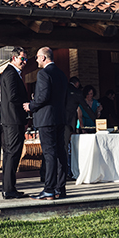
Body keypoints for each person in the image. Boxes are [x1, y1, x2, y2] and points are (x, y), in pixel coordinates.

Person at [25, 47, 69, 200]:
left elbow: (43, 97)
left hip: (46, 119)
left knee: (50, 154)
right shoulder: (62, 74)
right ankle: (60, 189)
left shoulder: (43, 73)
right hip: (60, 118)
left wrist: (31, 105)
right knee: (61, 153)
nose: (36, 60)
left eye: (37, 57)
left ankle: (49, 189)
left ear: (43, 58)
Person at [0, 47, 29, 199]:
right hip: (13, 120)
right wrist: (27, 104)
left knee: (11, 154)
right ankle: (9, 189)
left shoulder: (12, 73)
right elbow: (12, 96)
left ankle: (9, 188)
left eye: (26, 60)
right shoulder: (11, 73)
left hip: (12, 119)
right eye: (22, 59)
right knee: (12, 154)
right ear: (14, 58)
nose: (24, 62)